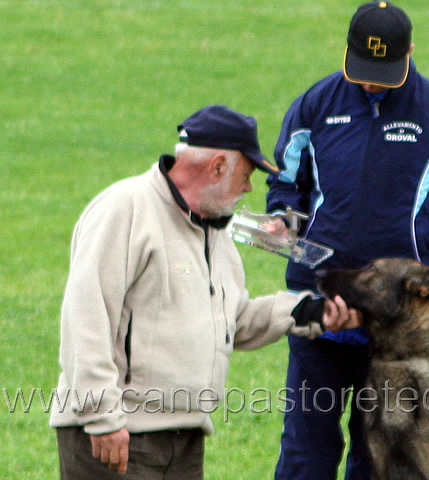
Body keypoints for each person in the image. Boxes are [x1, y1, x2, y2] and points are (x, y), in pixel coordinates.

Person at [264, 2, 429, 479]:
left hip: (399, 326)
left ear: (410, 53)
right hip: (321, 306)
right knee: (305, 450)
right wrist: (282, 219)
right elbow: (286, 182)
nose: (372, 82)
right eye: (364, 71)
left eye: (384, 73)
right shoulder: (315, 105)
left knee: (377, 456)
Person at [50, 105, 360, 479]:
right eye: (245, 175)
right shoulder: (124, 209)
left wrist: (309, 312)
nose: (248, 188)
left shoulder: (214, 232)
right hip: (120, 433)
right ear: (216, 167)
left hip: (184, 438)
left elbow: (231, 320)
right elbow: (86, 318)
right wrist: (101, 418)